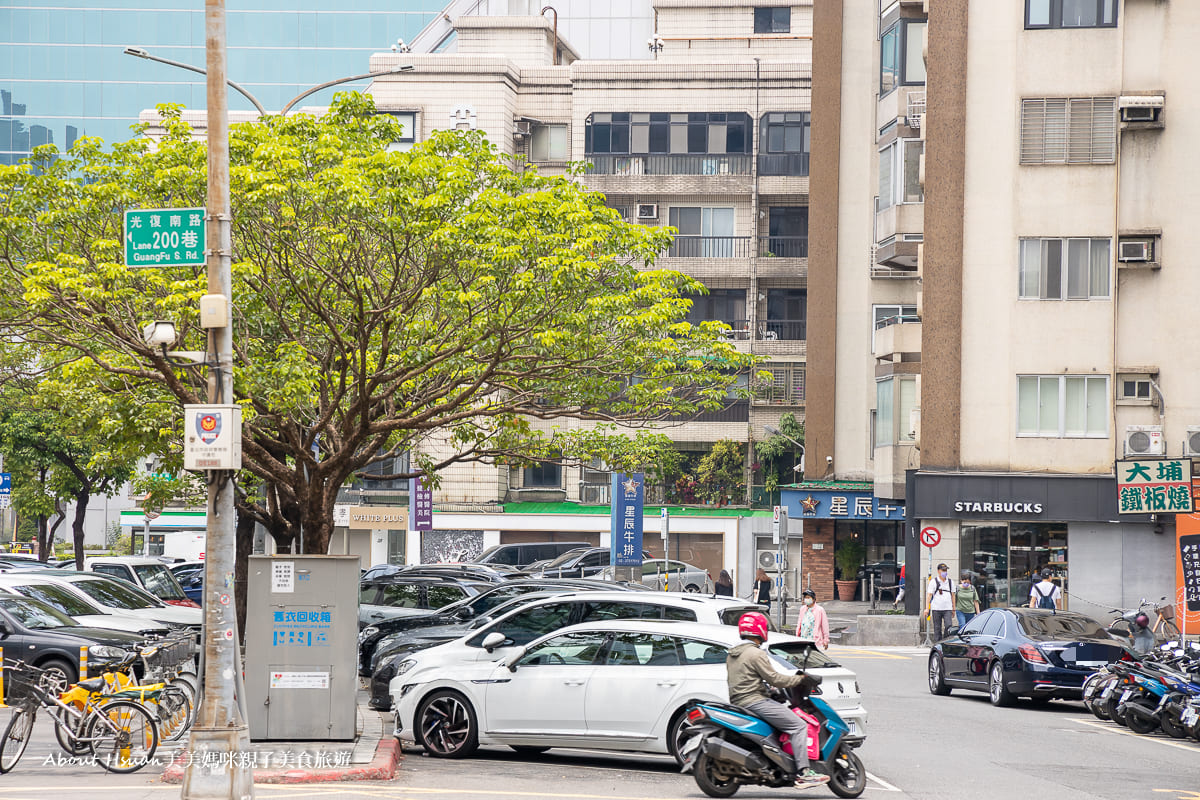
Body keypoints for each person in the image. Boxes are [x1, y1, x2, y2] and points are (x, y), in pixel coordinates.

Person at [727, 612, 829, 789]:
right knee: (798, 726)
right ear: (760, 629)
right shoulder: (755, 654)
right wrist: (800, 679)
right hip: (755, 701)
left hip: (739, 702)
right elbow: (775, 679)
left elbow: (748, 679)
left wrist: (769, 691)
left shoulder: (733, 654)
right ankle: (804, 773)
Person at [925, 562, 956, 641]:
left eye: (945, 570)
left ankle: (945, 641)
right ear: (938, 571)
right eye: (943, 570)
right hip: (936, 608)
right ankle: (937, 643)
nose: (945, 572)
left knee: (949, 625)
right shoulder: (933, 582)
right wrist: (927, 608)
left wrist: (953, 608)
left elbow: (953, 595)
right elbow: (929, 595)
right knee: (937, 627)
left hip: (947, 608)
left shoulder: (950, 582)